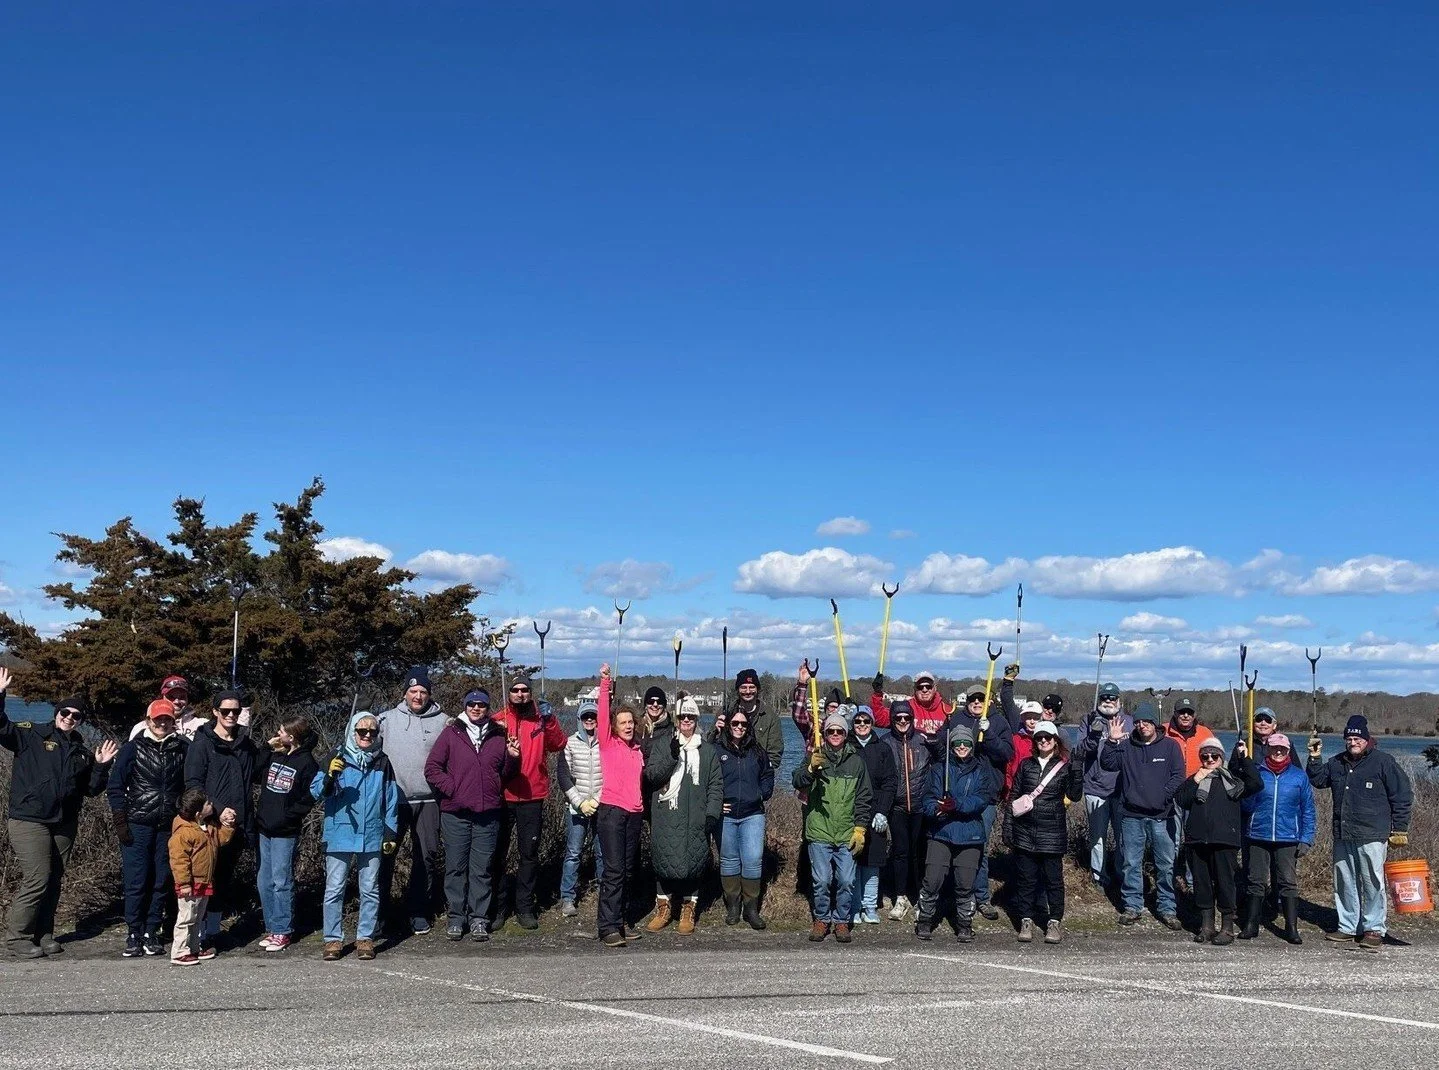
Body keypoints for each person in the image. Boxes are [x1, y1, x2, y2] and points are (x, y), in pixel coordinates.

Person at [1, 675, 118, 959]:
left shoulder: (81, 752)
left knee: (54, 879)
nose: (69, 718)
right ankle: (18, 937)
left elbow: (91, 790)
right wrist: (0, 695)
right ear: (56, 713)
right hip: (29, 818)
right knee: (37, 877)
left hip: (64, 822)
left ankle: (44, 933)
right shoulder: (31, 734)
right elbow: (2, 727)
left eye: (76, 716)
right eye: (65, 712)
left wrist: (101, 766)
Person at [1307, 715, 1413, 951]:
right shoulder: (1337, 762)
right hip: (1343, 832)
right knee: (1344, 881)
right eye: (1349, 739)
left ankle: (1374, 928)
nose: (1352, 742)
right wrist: (1314, 757)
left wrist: (1400, 828)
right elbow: (1318, 779)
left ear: (1366, 739)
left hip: (1373, 834)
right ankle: (1347, 926)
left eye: (1357, 739)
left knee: (1373, 882)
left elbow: (1402, 795)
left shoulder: (1383, 762)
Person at [424, 688, 520, 942]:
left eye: (481, 704)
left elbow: (506, 774)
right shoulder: (451, 733)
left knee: (482, 869)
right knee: (456, 867)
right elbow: (432, 769)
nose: (476, 708)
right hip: (455, 814)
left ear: (488, 707)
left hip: (488, 813)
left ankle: (479, 918)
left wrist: (512, 758)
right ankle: (456, 917)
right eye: (472, 704)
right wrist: (453, 789)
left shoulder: (499, 735)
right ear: (465, 706)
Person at [312, 710, 399, 962]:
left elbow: (391, 799)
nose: (367, 735)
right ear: (352, 732)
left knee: (370, 889)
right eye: (362, 730)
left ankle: (365, 937)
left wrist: (390, 831)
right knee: (334, 889)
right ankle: (332, 939)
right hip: (340, 832)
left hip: (371, 833)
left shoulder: (382, 762)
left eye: (373, 731)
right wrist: (330, 777)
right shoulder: (336, 756)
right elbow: (316, 792)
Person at [107, 697, 189, 957]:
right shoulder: (133, 748)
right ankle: (134, 931)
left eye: (167, 719)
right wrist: (120, 821)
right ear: (148, 721)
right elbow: (115, 787)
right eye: (158, 719)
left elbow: (191, 785)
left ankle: (151, 930)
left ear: (173, 722)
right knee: (136, 880)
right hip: (137, 824)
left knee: (161, 880)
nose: (162, 723)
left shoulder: (183, 748)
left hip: (169, 826)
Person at [182, 689, 258, 950]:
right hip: (210, 824)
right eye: (225, 710)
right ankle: (196, 933)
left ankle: (213, 932)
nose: (230, 715)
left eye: (235, 711)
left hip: (237, 825)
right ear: (215, 712)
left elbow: (256, 774)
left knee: (223, 879)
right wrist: (218, 808)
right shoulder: (202, 743)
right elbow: (193, 784)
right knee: (205, 878)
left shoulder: (246, 744)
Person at [931, 682, 1013, 922]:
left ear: (989, 700)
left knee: (979, 848)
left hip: (985, 796)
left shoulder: (999, 722)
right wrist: (941, 734)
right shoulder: (956, 719)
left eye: (981, 698)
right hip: (955, 795)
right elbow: (942, 746)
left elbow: (1006, 754)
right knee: (950, 844)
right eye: (972, 699)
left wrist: (989, 735)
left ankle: (981, 897)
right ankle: (954, 895)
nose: (977, 702)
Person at [1099, 701, 1185, 928]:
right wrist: (1111, 741)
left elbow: (1178, 776)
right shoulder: (1127, 746)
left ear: (1155, 723)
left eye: (1146, 721)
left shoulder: (1170, 746)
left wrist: (1163, 796)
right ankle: (1132, 906)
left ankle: (1167, 908)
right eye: (1138, 722)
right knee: (1131, 863)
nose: (1142, 725)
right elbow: (1107, 763)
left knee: (1165, 864)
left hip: (1162, 816)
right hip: (1131, 815)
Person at [376, 667, 448, 935]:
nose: (418, 696)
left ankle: (418, 912)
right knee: (383, 857)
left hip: (429, 801)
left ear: (429, 694)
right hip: (392, 800)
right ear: (405, 692)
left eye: (423, 692)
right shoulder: (386, 719)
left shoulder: (444, 722)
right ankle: (378, 914)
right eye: (413, 691)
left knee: (425, 858)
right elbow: (361, 742)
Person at [915, 724, 1001, 943]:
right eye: (957, 743)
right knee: (932, 879)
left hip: (970, 834)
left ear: (971, 745)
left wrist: (957, 804)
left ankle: (964, 923)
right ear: (951, 745)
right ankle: (925, 919)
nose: (962, 747)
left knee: (965, 883)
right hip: (941, 832)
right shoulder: (939, 769)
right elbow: (927, 798)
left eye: (966, 743)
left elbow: (982, 799)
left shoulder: (981, 770)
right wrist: (937, 809)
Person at [644, 695, 723, 934]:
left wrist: (711, 815)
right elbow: (652, 777)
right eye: (682, 716)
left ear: (696, 719)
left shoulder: (707, 751)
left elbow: (715, 786)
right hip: (666, 815)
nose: (686, 720)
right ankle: (663, 908)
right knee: (664, 860)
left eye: (690, 716)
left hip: (695, 818)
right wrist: (671, 756)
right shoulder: (663, 745)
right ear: (676, 719)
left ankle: (689, 908)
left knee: (694, 862)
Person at [494, 671, 566, 930]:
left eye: (524, 690)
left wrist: (551, 719)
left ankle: (524, 907)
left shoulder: (541, 719)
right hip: (502, 796)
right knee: (497, 853)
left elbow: (558, 744)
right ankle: (498, 908)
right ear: (510, 693)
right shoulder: (498, 720)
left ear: (530, 693)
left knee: (529, 854)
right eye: (516, 690)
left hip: (532, 795)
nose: (520, 694)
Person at [793, 711, 873, 944]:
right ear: (825, 734)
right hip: (819, 831)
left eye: (839, 731)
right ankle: (821, 919)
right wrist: (811, 770)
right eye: (830, 731)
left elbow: (864, 797)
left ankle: (841, 920)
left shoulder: (856, 762)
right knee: (822, 881)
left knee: (846, 881)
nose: (835, 734)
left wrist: (860, 828)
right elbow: (797, 780)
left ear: (846, 734)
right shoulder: (815, 757)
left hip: (847, 832)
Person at [1173, 737, 1262, 945]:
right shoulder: (1195, 779)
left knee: (1225, 883)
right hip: (1197, 841)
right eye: (1205, 756)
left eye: (1214, 755)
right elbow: (1181, 799)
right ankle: (1207, 926)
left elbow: (1256, 783)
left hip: (1225, 840)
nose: (1210, 759)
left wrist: (1245, 758)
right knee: (1202, 884)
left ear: (1221, 757)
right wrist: (1196, 780)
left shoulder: (1233, 780)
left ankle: (1227, 928)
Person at [1004, 720, 1082, 944]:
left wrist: (1077, 770)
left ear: (1056, 741)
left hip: (1052, 832)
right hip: (1025, 830)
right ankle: (1026, 920)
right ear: (1034, 741)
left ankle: (1054, 921)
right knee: (1026, 880)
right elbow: (1014, 796)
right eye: (1039, 738)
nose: (1044, 741)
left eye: (1048, 737)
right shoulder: (1026, 765)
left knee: (1053, 881)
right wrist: (1008, 827)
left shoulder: (1064, 766)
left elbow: (1075, 795)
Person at [1239, 733, 1316, 944]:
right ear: (1268, 749)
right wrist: (1248, 784)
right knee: (1255, 881)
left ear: (1288, 750)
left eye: (1282, 748)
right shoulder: (1257, 773)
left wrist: (1306, 838)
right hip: (1258, 835)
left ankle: (1291, 928)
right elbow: (1245, 806)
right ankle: (1251, 924)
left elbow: (1308, 810)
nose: (1278, 752)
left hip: (1288, 837)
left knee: (1287, 882)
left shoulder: (1299, 777)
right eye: (1274, 748)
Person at [253, 715, 318, 953]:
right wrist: (266, 747)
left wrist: (289, 815)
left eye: (281, 731)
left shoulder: (307, 763)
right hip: (264, 828)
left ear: (292, 736)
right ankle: (272, 927)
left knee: (281, 881)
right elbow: (254, 772)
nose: (278, 734)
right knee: (264, 881)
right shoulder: (276, 755)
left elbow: (309, 797)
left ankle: (283, 929)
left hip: (285, 831)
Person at [594, 664, 646, 947]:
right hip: (611, 813)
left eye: (630, 722)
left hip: (633, 815)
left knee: (627, 871)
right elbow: (603, 713)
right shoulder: (607, 743)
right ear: (614, 726)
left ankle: (621, 920)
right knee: (613, 871)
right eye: (622, 722)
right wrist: (605, 684)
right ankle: (608, 926)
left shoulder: (637, 750)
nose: (627, 726)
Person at [716, 702, 775, 929]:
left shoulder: (757, 751)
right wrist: (716, 802)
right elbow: (709, 781)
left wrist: (762, 793)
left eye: (743, 723)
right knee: (729, 860)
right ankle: (733, 906)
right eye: (735, 723)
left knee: (752, 860)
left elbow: (768, 775)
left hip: (753, 814)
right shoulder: (717, 750)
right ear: (728, 725)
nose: (739, 727)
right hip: (726, 815)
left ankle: (751, 909)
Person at [168, 788, 237, 966]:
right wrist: (184, 883)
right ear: (198, 813)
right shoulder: (183, 833)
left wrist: (228, 826)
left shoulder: (207, 826)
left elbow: (220, 840)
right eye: (207, 804)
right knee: (186, 918)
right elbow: (179, 860)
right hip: (190, 884)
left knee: (198, 918)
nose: (211, 804)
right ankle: (179, 951)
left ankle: (193, 947)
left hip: (204, 881)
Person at [1077, 682, 1131, 886]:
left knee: (1123, 837)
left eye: (1112, 698)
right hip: (1095, 789)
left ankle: (1122, 875)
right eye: (1104, 698)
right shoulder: (1088, 720)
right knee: (1097, 839)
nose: (1108, 701)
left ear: (1119, 700)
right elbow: (1080, 750)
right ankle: (1099, 877)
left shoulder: (1130, 722)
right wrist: (1094, 734)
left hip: (1121, 791)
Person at [882, 699, 931, 921]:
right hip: (898, 807)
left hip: (921, 806)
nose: (902, 721)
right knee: (900, 852)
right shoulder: (885, 742)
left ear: (912, 719)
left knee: (920, 853)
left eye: (907, 717)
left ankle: (921, 896)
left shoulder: (923, 741)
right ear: (892, 720)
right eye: (898, 718)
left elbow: (941, 760)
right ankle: (900, 897)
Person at [556, 699, 605, 917]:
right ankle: (568, 897)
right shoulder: (569, 743)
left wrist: (597, 801)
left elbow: (611, 774)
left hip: (600, 806)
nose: (589, 720)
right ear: (579, 719)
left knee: (602, 852)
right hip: (577, 808)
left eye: (593, 716)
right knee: (573, 852)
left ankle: (604, 893)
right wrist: (580, 802)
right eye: (585, 716)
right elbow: (563, 776)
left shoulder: (606, 742)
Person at [849, 707, 897, 925]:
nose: (862, 724)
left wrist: (882, 811)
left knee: (872, 862)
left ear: (872, 723)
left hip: (876, 811)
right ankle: (854, 905)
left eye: (866, 721)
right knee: (853, 861)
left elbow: (890, 782)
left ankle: (869, 906)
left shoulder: (883, 749)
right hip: (851, 811)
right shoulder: (847, 746)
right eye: (857, 721)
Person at [734, 668, 784, 770]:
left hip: (759, 773)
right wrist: (716, 731)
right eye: (743, 687)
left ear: (758, 689)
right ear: (738, 689)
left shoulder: (770, 717)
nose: (748, 691)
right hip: (730, 772)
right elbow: (711, 745)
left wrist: (763, 771)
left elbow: (775, 754)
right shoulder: (726, 712)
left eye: (752, 687)